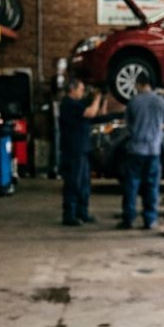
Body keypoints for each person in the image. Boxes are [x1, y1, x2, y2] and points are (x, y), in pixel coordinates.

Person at [119, 76, 164, 230]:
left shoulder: (133, 102)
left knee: (131, 185)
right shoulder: (160, 102)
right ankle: (150, 220)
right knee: (151, 186)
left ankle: (128, 219)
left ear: (139, 84)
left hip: (135, 149)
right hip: (154, 150)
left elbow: (127, 124)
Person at [58, 78, 105, 226]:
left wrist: (101, 100)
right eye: (81, 89)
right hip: (73, 150)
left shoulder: (77, 104)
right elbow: (91, 113)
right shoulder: (69, 104)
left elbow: (97, 113)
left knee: (84, 183)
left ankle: (82, 213)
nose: (83, 92)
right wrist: (97, 98)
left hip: (82, 150)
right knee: (73, 182)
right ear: (72, 89)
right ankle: (69, 215)